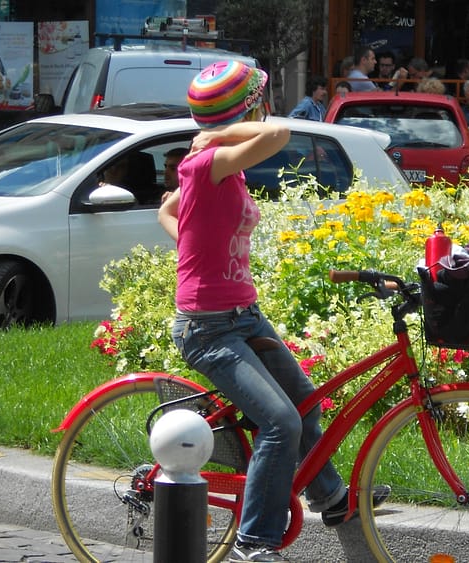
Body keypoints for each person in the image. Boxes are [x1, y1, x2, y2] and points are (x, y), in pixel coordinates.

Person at [158, 60, 389, 563]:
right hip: (207, 327)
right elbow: (279, 131)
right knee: (281, 423)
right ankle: (253, 541)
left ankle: (329, 497)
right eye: (261, 101)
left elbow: (171, 211)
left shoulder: (219, 165)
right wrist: (219, 133)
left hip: (243, 314)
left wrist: (186, 243)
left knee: (305, 405)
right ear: (249, 109)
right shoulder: (207, 163)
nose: (268, 109)